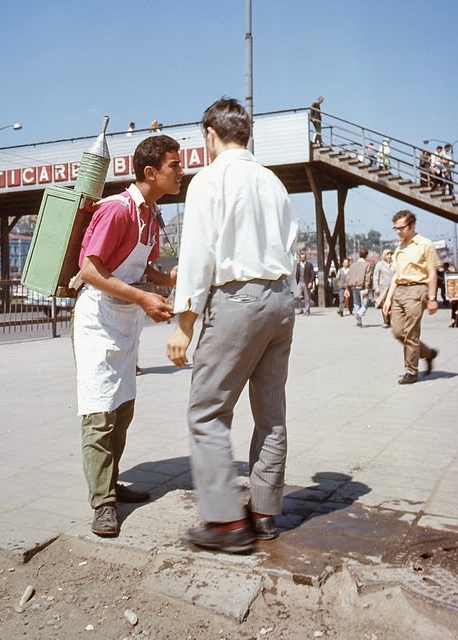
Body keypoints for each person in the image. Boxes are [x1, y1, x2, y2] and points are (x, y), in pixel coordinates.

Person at [166, 97, 298, 553]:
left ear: (210, 134)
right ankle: (263, 513)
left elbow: (197, 256)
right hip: (281, 299)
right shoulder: (273, 181)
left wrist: (184, 324)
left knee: (207, 413)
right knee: (270, 412)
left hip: (237, 298)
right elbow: (291, 246)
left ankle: (225, 524)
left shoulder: (209, 180)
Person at [73, 134, 183, 537]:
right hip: (98, 322)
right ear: (150, 172)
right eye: (175, 165)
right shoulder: (117, 210)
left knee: (122, 407)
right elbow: (90, 270)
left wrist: (164, 280)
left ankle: (111, 483)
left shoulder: (150, 215)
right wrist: (144, 297)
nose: (181, 171)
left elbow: (139, 268)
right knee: (100, 409)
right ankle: (102, 503)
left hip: (125, 322)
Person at [383, 210, 440, 385]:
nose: (399, 231)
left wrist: (432, 298)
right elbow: (396, 275)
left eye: (402, 228)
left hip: (417, 290)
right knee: (398, 332)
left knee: (411, 333)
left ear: (412, 225)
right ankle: (428, 354)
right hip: (400, 290)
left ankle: (411, 371)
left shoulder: (425, 244)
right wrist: (388, 298)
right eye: (396, 228)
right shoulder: (400, 248)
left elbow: (432, 272)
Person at [346, 249, 372, 327]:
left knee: (356, 303)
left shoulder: (352, 265)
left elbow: (348, 276)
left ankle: (358, 321)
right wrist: (367, 287)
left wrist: (347, 287)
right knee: (365, 303)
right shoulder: (367, 265)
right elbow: (367, 277)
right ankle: (359, 314)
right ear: (366, 255)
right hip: (362, 286)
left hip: (354, 286)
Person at [373, 249, 394, 327]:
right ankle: (385, 320)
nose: (389, 256)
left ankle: (389, 319)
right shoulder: (379, 265)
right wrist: (376, 287)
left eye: (390, 254)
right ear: (384, 256)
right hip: (383, 288)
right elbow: (375, 276)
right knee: (383, 304)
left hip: (392, 287)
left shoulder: (394, 264)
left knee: (392, 304)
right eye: (387, 255)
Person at [294, 250, 315, 315]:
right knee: (297, 296)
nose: (302, 258)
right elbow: (295, 274)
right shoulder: (297, 265)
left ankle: (307, 310)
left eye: (304, 257)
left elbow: (312, 274)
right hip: (299, 282)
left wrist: (311, 282)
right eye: (301, 257)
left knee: (307, 297)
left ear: (305, 257)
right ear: (300, 258)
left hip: (306, 282)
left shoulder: (309, 265)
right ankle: (300, 308)